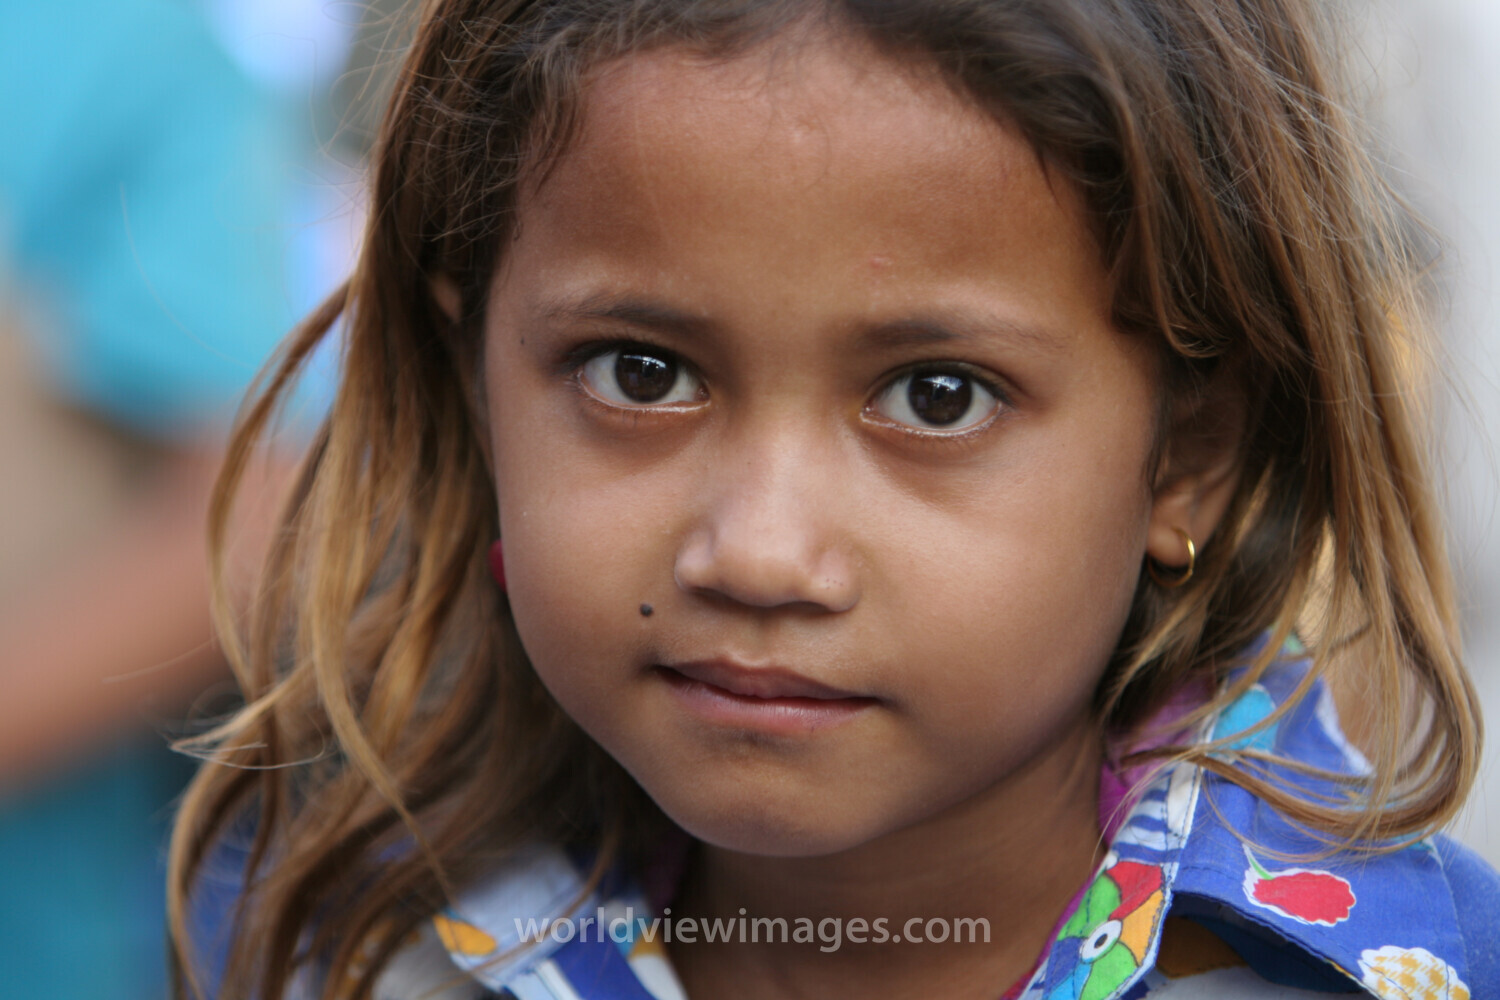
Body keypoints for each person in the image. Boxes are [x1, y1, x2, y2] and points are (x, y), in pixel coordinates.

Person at [167, 1, 1500, 998]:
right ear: (477, 387)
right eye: (642, 373)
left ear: (1188, 453)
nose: (759, 552)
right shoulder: (362, 948)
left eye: (937, 396)